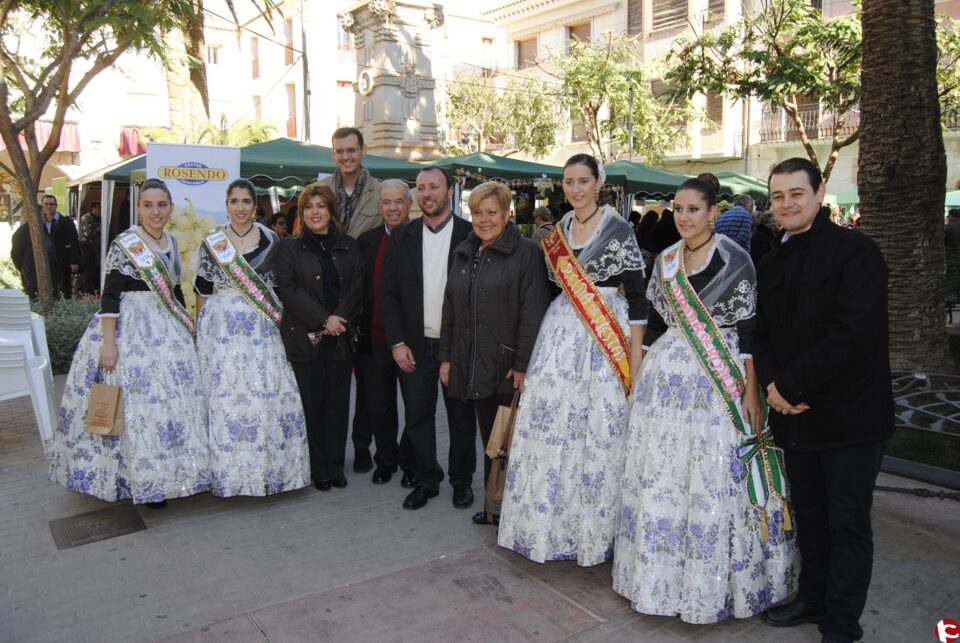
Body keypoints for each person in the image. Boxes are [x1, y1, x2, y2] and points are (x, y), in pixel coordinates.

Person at [612, 172, 797, 623]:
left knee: (711, 473)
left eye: (693, 209)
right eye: (678, 209)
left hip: (718, 381)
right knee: (665, 473)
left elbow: (751, 331)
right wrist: (640, 370)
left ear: (713, 212)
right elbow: (655, 322)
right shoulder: (666, 260)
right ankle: (658, 577)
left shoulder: (736, 259)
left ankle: (716, 583)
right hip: (667, 379)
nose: (684, 217)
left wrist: (751, 390)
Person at [753, 158, 893, 643]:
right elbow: (762, 333)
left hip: (850, 418)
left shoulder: (857, 253)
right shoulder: (770, 260)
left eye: (797, 193)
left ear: (819, 192)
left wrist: (790, 388)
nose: (787, 204)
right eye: (778, 197)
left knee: (848, 520)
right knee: (809, 515)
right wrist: (774, 388)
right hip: (795, 417)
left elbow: (852, 335)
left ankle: (841, 621)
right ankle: (811, 596)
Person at [497, 154, 647, 566]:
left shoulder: (619, 230)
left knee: (597, 431)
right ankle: (551, 527)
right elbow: (549, 289)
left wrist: (635, 359)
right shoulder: (557, 232)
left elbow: (638, 297)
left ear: (599, 182)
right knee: (555, 428)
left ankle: (596, 533)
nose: (576, 189)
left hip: (605, 337)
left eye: (583, 181)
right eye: (568, 182)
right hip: (561, 332)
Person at [48, 178, 210, 507]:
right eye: (148, 205)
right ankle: (140, 479)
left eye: (161, 205)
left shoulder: (174, 243)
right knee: (137, 408)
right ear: (138, 208)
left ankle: (169, 474)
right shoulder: (125, 244)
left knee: (169, 405)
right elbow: (110, 297)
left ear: (171, 209)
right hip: (131, 328)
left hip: (167, 329)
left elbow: (177, 290)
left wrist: (187, 323)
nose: (155, 211)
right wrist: (109, 345)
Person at [439, 182, 551, 525]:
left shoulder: (526, 254)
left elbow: (533, 312)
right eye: (477, 213)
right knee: (490, 438)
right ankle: (493, 506)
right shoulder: (464, 251)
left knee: (504, 441)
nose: (484, 220)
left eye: (491, 212)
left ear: (507, 213)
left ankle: (506, 510)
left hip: (505, 366)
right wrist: (446, 356)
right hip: (470, 360)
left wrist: (521, 365)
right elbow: (450, 309)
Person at [194, 178, 309, 497]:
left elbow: (281, 288)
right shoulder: (213, 241)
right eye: (235, 202)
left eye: (246, 201)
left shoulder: (272, 240)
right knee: (226, 398)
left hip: (262, 329)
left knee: (263, 396)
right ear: (227, 204)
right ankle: (228, 471)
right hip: (223, 332)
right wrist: (199, 331)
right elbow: (203, 289)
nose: (240, 208)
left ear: (255, 206)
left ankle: (268, 469)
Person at [381, 166, 475, 511]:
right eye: (421, 188)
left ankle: (462, 482)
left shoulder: (471, 235)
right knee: (418, 417)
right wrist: (396, 342)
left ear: (449, 191)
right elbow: (388, 294)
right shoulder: (402, 237)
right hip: (414, 346)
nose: (427, 194)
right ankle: (426, 480)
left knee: (460, 419)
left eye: (434, 187)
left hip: (458, 347)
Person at [275, 183, 364, 491]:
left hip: (340, 338)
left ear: (331, 212)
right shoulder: (288, 248)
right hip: (304, 339)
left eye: (321, 206)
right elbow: (289, 290)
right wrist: (324, 319)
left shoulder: (350, 246)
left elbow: (357, 288)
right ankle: (319, 468)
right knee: (312, 407)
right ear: (302, 213)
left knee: (338, 407)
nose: (315, 212)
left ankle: (336, 466)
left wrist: (339, 319)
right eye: (309, 207)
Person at [320, 126, 383, 473]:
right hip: (330, 301)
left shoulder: (380, 192)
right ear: (333, 154)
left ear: (362, 151)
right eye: (339, 151)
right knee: (335, 381)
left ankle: (362, 445)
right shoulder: (321, 191)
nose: (346, 156)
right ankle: (331, 449)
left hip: (368, 298)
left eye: (351, 150)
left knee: (368, 383)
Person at [356, 179, 414, 485]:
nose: (392, 208)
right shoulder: (367, 242)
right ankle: (386, 459)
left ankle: (409, 458)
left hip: (411, 341)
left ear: (409, 204)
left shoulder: (420, 238)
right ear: (380, 206)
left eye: (398, 202)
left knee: (416, 406)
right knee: (380, 406)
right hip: (375, 340)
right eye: (387, 203)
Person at [40, 195, 82, 298]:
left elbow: (74, 242)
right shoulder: (38, 222)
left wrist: (74, 261)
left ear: (56, 206)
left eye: (51, 204)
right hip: (44, 262)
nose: (49, 207)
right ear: (42, 205)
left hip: (62, 261)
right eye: (46, 204)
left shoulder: (66, 222)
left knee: (64, 290)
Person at [10, 215, 59, 299]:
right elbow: (15, 255)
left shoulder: (44, 229)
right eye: (44, 215)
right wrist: (24, 268)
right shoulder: (22, 232)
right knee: (34, 299)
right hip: (32, 276)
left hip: (49, 275)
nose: (47, 217)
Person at [78, 201, 102, 294]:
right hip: (86, 247)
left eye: (100, 208)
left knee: (96, 269)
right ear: (92, 209)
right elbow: (88, 234)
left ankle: (94, 288)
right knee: (88, 269)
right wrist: (99, 234)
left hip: (96, 248)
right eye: (97, 208)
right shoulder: (87, 218)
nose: (99, 210)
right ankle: (86, 290)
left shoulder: (100, 219)